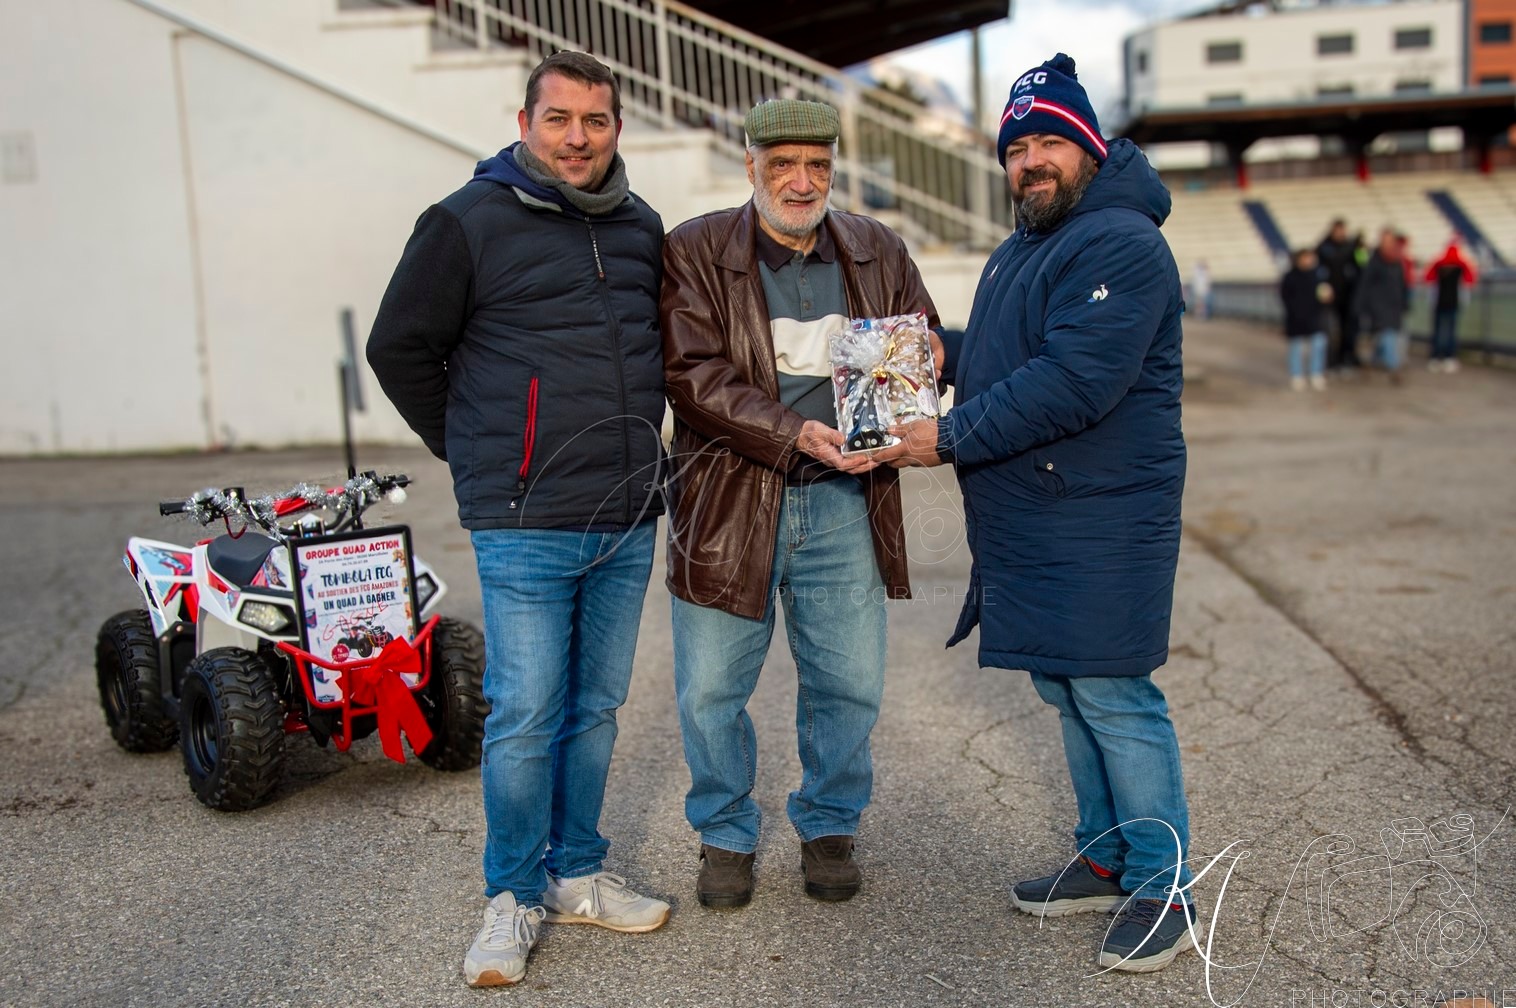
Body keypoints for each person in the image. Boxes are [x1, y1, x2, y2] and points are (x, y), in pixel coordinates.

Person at [875, 53, 1195, 973]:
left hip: (1103, 514)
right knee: (1067, 684)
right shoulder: (1026, 245)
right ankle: (1107, 855)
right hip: (1044, 511)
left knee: (1114, 692)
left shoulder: (1121, 242)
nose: (1030, 162)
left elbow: (1073, 380)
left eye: (1049, 141)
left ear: (1089, 146)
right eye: (1016, 149)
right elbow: (1015, 352)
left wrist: (947, 435)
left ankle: (1163, 884)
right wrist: (944, 351)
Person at [366, 51, 670, 988]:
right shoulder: (466, 222)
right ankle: (511, 895)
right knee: (527, 714)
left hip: (626, 513)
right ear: (525, 123)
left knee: (595, 709)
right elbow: (398, 347)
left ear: (616, 127)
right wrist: (478, 451)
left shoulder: (640, 226)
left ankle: (575, 873)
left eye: (595, 120)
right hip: (525, 518)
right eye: (559, 119)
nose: (577, 138)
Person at [659, 98, 940, 910]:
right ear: (751, 165)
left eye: (817, 165)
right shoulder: (695, 248)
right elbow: (692, 375)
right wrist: (793, 433)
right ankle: (724, 834)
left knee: (849, 683)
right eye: (783, 164)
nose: (802, 181)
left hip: (844, 498)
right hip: (727, 500)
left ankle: (829, 825)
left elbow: (919, 332)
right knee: (711, 689)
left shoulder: (878, 246)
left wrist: (926, 358)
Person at [1355, 228, 1411, 383]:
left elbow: (1402, 285)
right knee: (1388, 336)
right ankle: (1394, 366)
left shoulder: (1397, 261)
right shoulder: (1373, 261)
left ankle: (1372, 361)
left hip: (1394, 306)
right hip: (1378, 307)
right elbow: (1364, 285)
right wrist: (1361, 306)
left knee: (1382, 337)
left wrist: (1404, 303)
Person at [1280, 248, 1330, 391]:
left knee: (1318, 345)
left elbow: (1324, 294)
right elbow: (1285, 297)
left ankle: (1316, 373)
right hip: (1296, 318)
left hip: (1315, 317)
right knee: (1296, 348)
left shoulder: (1318, 276)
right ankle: (1297, 375)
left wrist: (1326, 300)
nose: (1310, 261)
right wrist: (1294, 311)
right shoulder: (1290, 277)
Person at [1316, 218, 1362, 372]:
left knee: (1349, 329)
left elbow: (1362, 264)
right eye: (1338, 230)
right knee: (1329, 330)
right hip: (1330, 298)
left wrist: (1360, 249)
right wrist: (1322, 290)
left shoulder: (1353, 247)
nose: (1341, 233)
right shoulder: (1323, 248)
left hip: (1348, 296)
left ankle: (1347, 357)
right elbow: (1318, 272)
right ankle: (1331, 360)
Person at [1424, 239, 1476, 372]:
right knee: (1451, 331)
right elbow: (1469, 281)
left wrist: (1431, 301)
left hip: (1439, 303)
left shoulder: (1438, 264)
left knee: (1437, 331)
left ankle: (1435, 357)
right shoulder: (1461, 265)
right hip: (1453, 303)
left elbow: (1429, 280)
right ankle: (1449, 357)